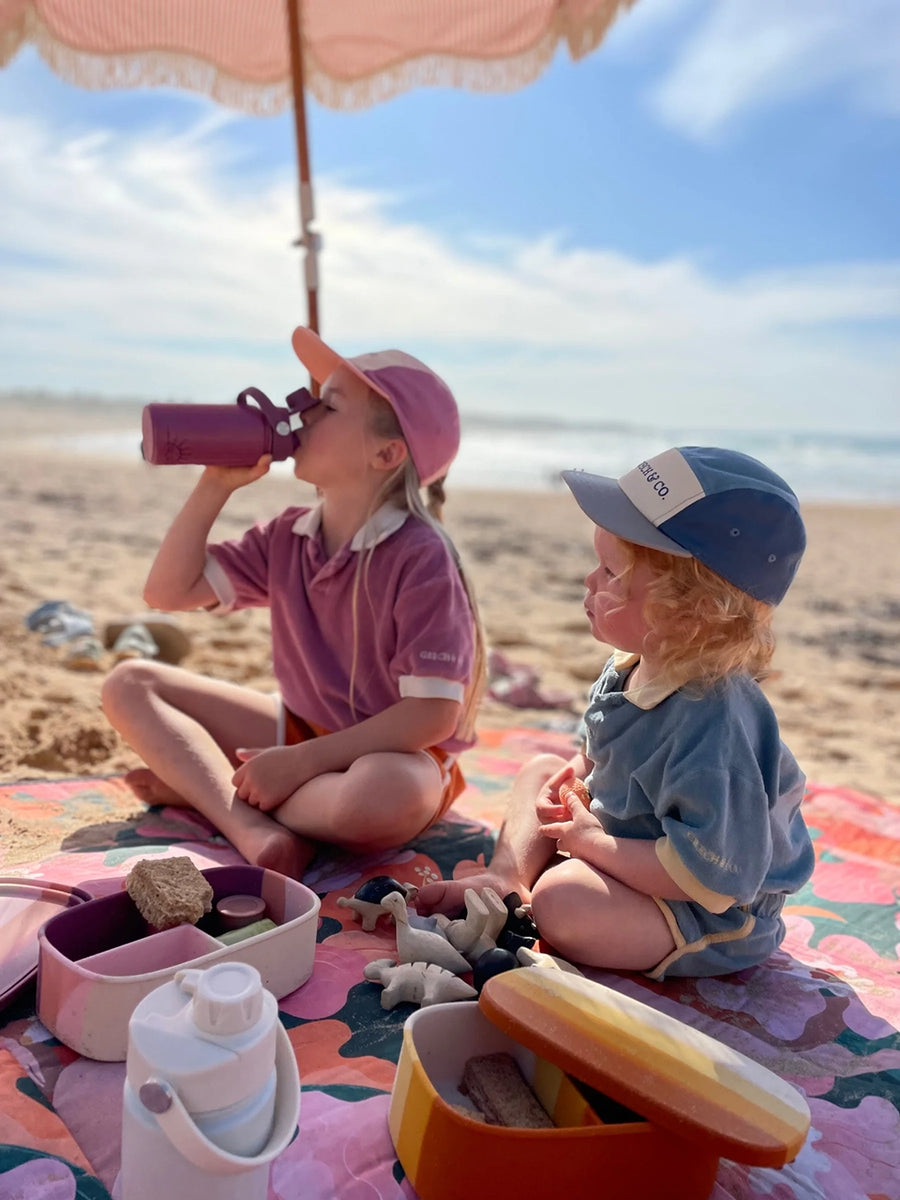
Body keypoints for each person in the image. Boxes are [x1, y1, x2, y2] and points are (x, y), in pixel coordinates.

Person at [416, 446, 815, 980]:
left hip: (708, 909)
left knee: (562, 900)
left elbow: (718, 880)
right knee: (541, 769)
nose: (588, 581)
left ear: (690, 613)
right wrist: (579, 777)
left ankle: (546, 887)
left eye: (609, 571)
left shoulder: (716, 727)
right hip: (635, 841)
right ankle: (507, 878)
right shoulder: (631, 665)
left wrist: (593, 844)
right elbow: (603, 753)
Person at [102, 328, 485, 879]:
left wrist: (299, 764)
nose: (300, 412)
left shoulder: (421, 555)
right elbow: (168, 591)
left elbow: (432, 714)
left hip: (395, 755)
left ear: (385, 452)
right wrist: (216, 485)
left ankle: (212, 792)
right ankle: (252, 826)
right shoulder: (288, 536)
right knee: (129, 683)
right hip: (303, 729)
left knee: (380, 796)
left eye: (327, 405)